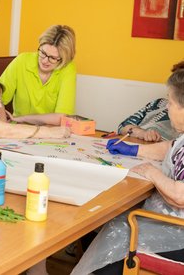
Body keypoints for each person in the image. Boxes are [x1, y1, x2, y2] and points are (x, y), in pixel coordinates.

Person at [72, 62, 184, 274]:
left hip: (177, 236)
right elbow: (170, 147)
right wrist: (132, 149)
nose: (167, 107)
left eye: (170, 102)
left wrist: (152, 172)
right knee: (108, 221)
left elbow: (179, 196)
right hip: (167, 221)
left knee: (112, 228)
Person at [0, 25, 77, 119]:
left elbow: (62, 117)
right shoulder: (21, 61)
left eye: (52, 58)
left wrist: (23, 119)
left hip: (51, 129)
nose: (44, 61)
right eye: (43, 53)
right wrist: (3, 124)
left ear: (64, 59)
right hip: (20, 128)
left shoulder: (68, 68)